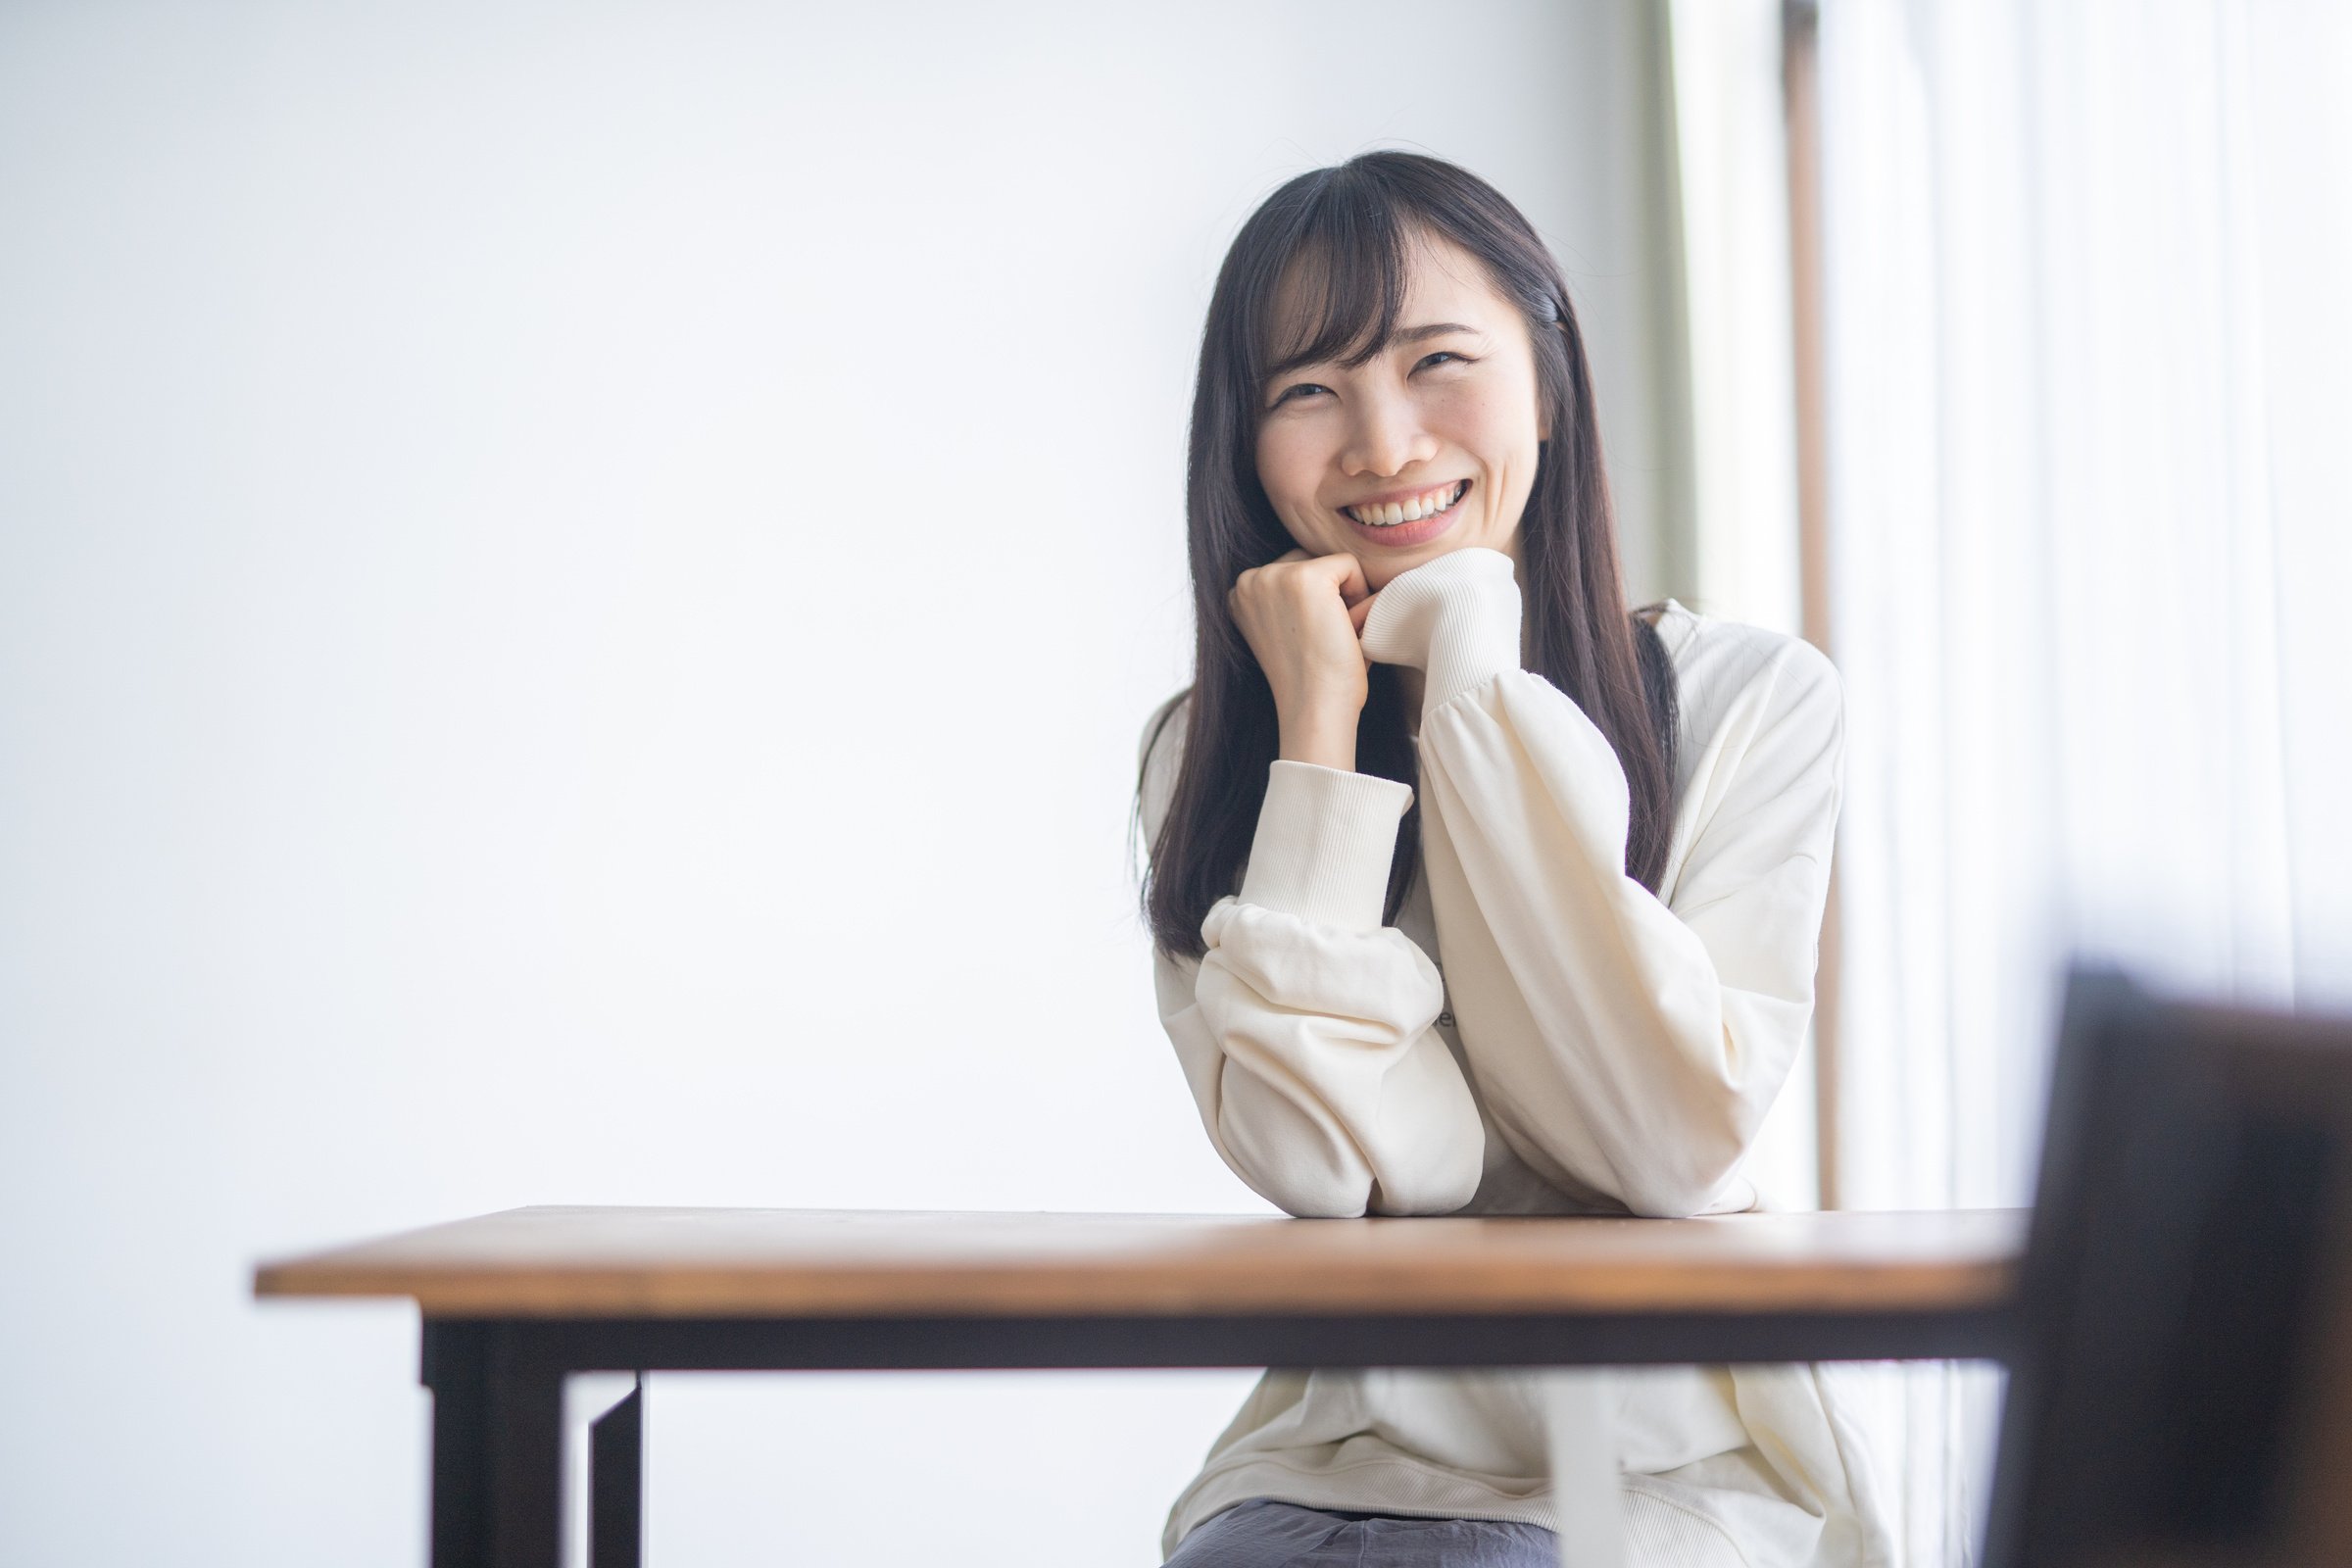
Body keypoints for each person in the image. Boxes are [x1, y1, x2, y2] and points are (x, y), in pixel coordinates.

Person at [1136, 152, 1887, 1568]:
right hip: (1332, 1464)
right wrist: (1319, 736)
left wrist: (1473, 671)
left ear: (1547, 380)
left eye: (1436, 363)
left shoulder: (1749, 701)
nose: (1382, 442)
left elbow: (1659, 1139)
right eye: (1307, 390)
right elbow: (1326, 1164)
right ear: (1243, 440)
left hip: (1661, 1464)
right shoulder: (1206, 755)